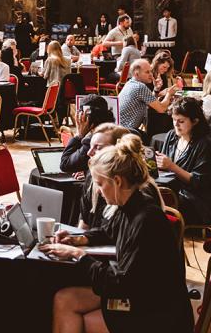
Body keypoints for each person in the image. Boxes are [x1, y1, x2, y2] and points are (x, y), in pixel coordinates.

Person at [43, 135, 194, 332]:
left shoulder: (146, 219)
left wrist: (79, 255)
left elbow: (121, 284)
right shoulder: (129, 205)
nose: (97, 190)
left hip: (156, 312)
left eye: (100, 183)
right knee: (64, 299)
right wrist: (77, 239)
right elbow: (108, 232)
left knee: (88, 320)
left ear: (117, 181)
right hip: (140, 296)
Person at [156, 97, 211, 226]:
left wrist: (171, 166)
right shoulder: (171, 136)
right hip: (174, 191)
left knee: (152, 206)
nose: (176, 124)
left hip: (196, 202)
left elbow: (198, 182)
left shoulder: (205, 145)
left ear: (195, 121)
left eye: (181, 121)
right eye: (174, 120)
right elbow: (163, 171)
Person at [116, 59, 175, 132]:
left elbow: (150, 102)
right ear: (136, 74)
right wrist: (169, 94)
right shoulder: (140, 87)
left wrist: (156, 89)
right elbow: (161, 109)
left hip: (119, 129)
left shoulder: (130, 83)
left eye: (150, 71)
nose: (151, 74)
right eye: (147, 72)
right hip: (127, 133)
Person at [61, 96, 115, 174]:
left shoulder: (93, 141)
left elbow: (65, 164)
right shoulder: (118, 133)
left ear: (85, 118)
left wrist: (79, 135)